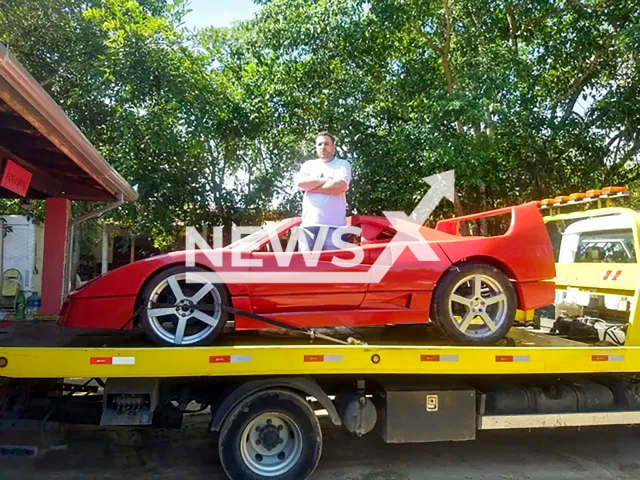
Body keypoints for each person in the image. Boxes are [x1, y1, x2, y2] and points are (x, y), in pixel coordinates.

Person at [296, 132, 352, 251]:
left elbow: (340, 186)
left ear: (333, 146)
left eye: (326, 144)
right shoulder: (308, 165)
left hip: (335, 227)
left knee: (333, 268)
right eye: (319, 144)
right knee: (306, 268)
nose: (323, 147)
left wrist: (312, 187)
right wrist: (327, 180)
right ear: (316, 147)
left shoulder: (342, 164)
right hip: (308, 226)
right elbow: (301, 183)